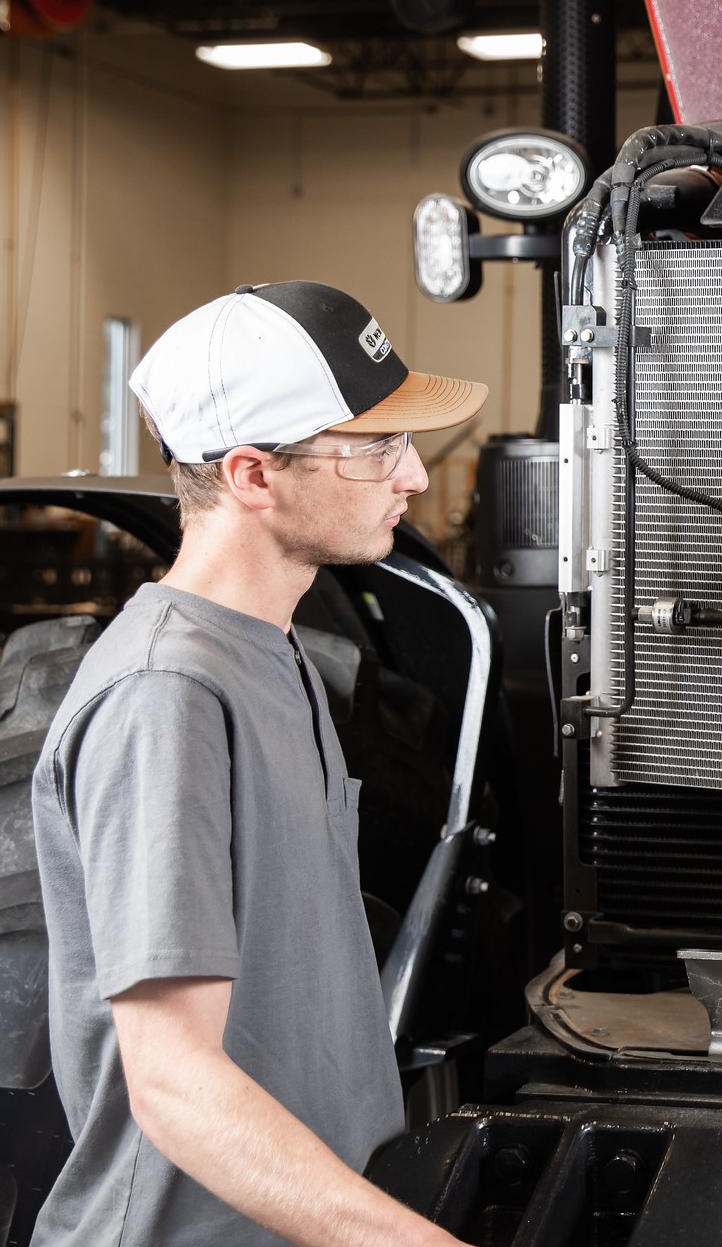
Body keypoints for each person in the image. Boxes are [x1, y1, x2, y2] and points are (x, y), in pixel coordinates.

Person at [30, 282, 484, 1246]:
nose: (411, 478)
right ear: (251, 474)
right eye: (372, 448)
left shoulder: (274, 652)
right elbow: (174, 1082)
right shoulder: (167, 695)